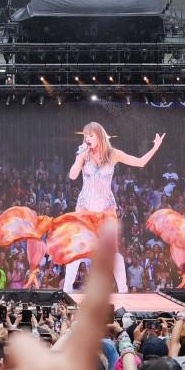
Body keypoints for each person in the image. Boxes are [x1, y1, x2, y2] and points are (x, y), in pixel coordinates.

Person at [63, 121, 165, 293]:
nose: (87, 138)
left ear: (100, 136)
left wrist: (155, 147)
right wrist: (81, 154)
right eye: (85, 135)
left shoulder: (113, 154)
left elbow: (140, 162)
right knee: (78, 247)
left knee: (113, 249)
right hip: (85, 205)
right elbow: (73, 176)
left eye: (91, 135)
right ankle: (67, 291)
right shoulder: (83, 153)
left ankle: (123, 290)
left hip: (106, 206)